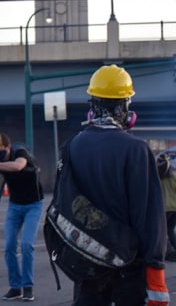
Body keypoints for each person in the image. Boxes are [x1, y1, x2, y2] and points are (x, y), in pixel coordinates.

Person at [53, 64, 167, 306]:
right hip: (127, 265)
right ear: (125, 107)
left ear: (92, 107)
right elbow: (149, 217)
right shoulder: (136, 150)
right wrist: (155, 271)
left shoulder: (71, 147)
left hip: (85, 260)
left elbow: (63, 201)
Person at [0, 132, 43, 302]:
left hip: (33, 204)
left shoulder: (20, 152)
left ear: (8, 147)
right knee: (9, 245)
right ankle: (15, 287)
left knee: (27, 245)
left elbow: (18, 166)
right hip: (15, 205)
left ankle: (27, 286)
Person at [157, 152, 176, 262]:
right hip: (175, 207)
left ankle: (168, 252)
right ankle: (170, 251)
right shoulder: (174, 175)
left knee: (164, 231)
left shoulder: (159, 176)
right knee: (170, 230)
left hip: (165, 208)